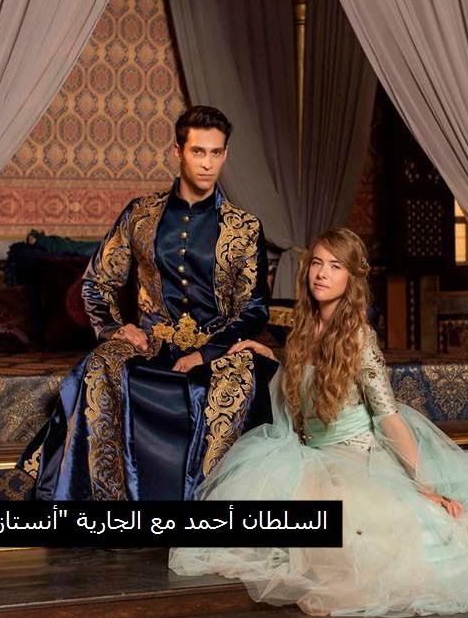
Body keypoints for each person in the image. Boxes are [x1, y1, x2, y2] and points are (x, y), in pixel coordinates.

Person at [169, 228, 468, 618]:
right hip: (309, 456)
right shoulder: (302, 328)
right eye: (316, 262)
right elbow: (305, 384)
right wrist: (267, 352)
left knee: (373, 542)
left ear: (351, 279)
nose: (321, 273)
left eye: (335, 266)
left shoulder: (359, 338)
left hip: (357, 459)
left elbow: (389, 417)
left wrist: (423, 486)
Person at [19, 106, 277, 501]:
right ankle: (100, 500)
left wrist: (205, 353)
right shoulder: (141, 215)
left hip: (216, 348)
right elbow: (97, 283)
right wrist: (116, 328)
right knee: (100, 364)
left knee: (239, 378)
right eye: (198, 152)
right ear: (178, 151)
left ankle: (208, 505)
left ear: (225, 154)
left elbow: (254, 307)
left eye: (216, 153)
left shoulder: (244, 227)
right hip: (150, 343)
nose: (207, 164)